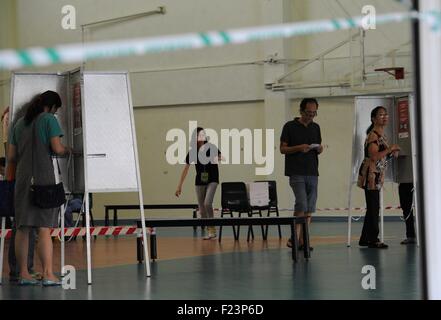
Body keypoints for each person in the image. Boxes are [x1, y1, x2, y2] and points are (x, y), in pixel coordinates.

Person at [7, 90, 71, 286]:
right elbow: (57, 148)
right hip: (43, 179)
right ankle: (48, 274)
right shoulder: (49, 120)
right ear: (52, 107)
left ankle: (24, 274)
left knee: (23, 228)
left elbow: (10, 156)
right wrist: (69, 149)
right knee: (44, 228)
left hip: (23, 179)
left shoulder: (18, 123)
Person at [280, 98, 323, 250]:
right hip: (296, 171)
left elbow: (318, 146)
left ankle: (303, 240)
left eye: (314, 113)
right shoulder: (289, 126)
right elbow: (283, 149)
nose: (311, 116)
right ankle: (294, 239)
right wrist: (299, 148)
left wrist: (319, 148)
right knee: (301, 204)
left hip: (312, 171)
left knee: (310, 207)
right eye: (308, 113)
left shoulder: (315, 127)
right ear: (301, 110)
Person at [357, 106, 400, 249]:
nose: (385, 117)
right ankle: (373, 238)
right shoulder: (373, 135)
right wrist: (389, 149)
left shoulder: (382, 135)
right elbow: (374, 156)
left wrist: (391, 153)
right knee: (374, 207)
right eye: (381, 115)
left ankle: (365, 238)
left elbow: (382, 155)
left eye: (386, 114)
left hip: (377, 174)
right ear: (373, 119)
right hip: (371, 175)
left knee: (372, 207)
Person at [175, 127, 221, 240]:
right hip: (199, 181)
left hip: (213, 180)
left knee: (207, 203)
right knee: (202, 209)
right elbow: (186, 168)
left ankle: (212, 228)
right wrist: (179, 185)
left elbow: (219, 157)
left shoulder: (211, 147)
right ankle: (210, 231)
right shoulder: (192, 152)